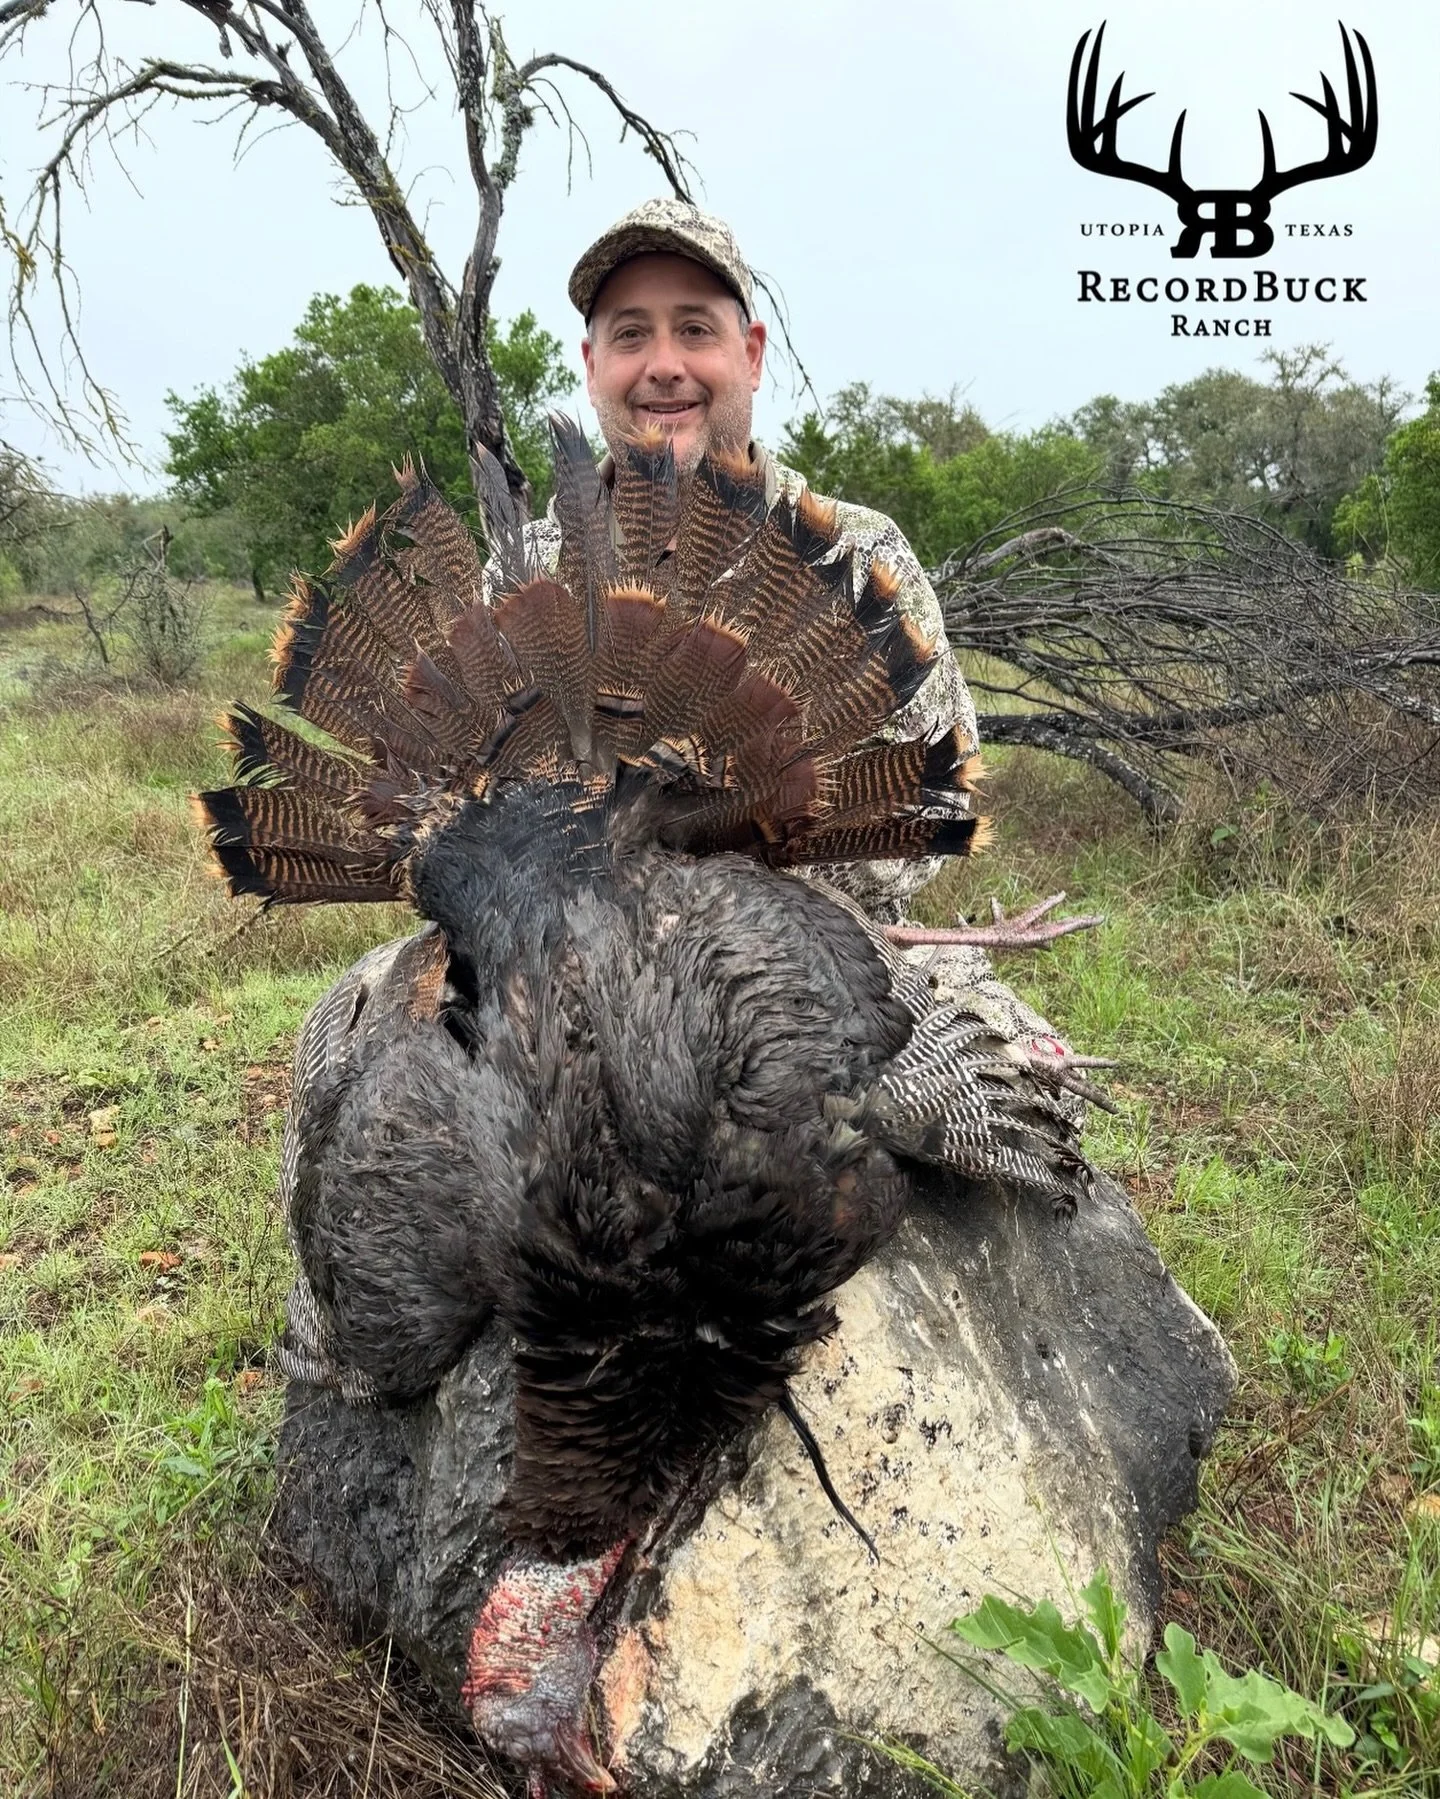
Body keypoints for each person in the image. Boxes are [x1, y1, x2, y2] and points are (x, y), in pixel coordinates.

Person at [532, 196, 1085, 1053]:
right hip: (571, 960)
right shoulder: (529, 569)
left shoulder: (855, 554)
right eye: (632, 335)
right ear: (592, 363)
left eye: (696, 331)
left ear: (750, 357)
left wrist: (716, 834)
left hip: (826, 954)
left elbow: (932, 803)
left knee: (1021, 1078)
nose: (664, 366)